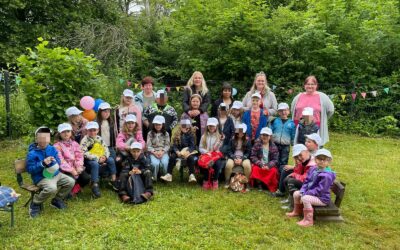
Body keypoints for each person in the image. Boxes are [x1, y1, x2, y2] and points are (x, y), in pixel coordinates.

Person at [26, 126, 75, 218]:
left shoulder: (52, 149)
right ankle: (35, 203)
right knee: (52, 188)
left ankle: (57, 200)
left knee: (70, 181)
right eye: (41, 138)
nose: (44, 141)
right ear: (37, 139)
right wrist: (42, 164)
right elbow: (30, 170)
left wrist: (53, 161)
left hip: (55, 174)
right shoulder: (32, 153)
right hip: (41, 177)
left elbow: (59, 162)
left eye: (46, 138)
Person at [286, 149, 336, 227]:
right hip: (311, 193)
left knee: (305, 198)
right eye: (319, 159)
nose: (321, 161)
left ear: (329, 161)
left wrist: (306, 193)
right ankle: (297, 212)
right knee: (296, 193)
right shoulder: (313, 169)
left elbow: (320, 190)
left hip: (322, 198)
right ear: (315, 159)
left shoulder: (327, 175)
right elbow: (307, 181)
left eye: (324, 159)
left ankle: (308, 220)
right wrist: (303, 190)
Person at [291, 75, 334, 145]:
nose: (310, 86)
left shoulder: (322, 97)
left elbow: (331, 110)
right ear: (304, 85)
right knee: (299, 150)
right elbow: (293, 110)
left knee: (314, 149)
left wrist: (324, 118)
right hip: (299, 127)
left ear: (316, 85)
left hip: (315, 127)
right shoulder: (298, 97)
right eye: (308, 84)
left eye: (312, 84)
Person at [80, 121, 118, 198]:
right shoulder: (84, 140)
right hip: (89, 160)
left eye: (94, 130)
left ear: (97, 130)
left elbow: (106, 148)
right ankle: (95, 184)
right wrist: (97, 158)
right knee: (95, 164)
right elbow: (83, 152)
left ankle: (113, 180)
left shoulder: (99, 138)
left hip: (101, 157)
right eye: (90, 130)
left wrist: (105, 156)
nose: (92, 132)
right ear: (87, 131)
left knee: (110, 160)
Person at [54, 123, 91, 198]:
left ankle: (76, 188)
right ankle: (67, 192)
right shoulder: (57, 146)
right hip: (64, 169)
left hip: (75, 167)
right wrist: (71, 170)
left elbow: (79, 156)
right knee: (72, 179)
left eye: (68, 131)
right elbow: (61, 161)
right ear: (59, 134)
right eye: (63, 132)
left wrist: (79, 166)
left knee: (86, 178)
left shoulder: (74, 144)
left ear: (71, 132)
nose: (66, 133)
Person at [270, 102, 296, 196]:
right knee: (274, 162)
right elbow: (271, 131)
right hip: (275, 145)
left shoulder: (292, 123)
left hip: (285, 146)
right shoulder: (275, 121)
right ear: (278, 112)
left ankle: (280, 184)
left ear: (288, 111)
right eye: (281, 111)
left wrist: (293, 145)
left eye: (285, 110)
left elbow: (293, 135)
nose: (283, 112)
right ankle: (273, 181)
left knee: (283, 164)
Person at [161, 119, 198, 183]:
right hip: (178, 151)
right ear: (180, 126)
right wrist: (177, 151)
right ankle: (169, 174)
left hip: (187, 151)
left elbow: (192, 146)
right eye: (183, 126)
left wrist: (188, 151)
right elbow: (174, 145)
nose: (185, 128)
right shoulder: (177, 134)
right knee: (172, 157)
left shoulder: (191, 135)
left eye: (187, 126)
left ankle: (191, 175)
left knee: (191, 158)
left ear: (189, 127)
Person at [280, 144, 316, 210]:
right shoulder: (304, 161)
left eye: (300, 155)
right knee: (286, 179)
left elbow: (305, 179)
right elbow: (297, 172)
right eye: (297, 156)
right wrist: (297, 164)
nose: (299, 158)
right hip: (306, 183)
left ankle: (292, 206)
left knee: (291, 181)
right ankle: (290, 199)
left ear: (306, 151)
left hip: (311, 186)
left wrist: (294, 175)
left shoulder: (312, 165)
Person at [249, 127, 279, 192]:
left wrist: (268, 166)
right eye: (263, 135)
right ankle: (259, 184)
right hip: (260, 164)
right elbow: (253, 156)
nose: (264, 137)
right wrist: (261, 164)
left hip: (269, 165)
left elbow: (275, 159)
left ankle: (267, 184)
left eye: (266, 135)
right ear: (261, 135)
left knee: (273, 171)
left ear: (270, 137)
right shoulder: (257, 144)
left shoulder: (274, 146)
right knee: (255, 169)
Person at [198, 118, 224, 190]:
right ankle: (206, 180)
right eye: (210, 126)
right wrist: (206, 152)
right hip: (206, 155)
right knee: (206, 164)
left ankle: (215, 180)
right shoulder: (204, 136)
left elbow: (216, 149)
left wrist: (220, 141)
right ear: (207, 127)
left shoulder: (219, 136)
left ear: (216, 127)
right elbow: (200, 148)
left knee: (217, 164)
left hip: (215, 155)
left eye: (213, 126)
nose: (211, 128)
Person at [224, 123, 252, 189]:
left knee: (247, 165)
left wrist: (242, 159)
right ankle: (227, 180)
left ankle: (247, 182)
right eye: (239, 131)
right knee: (228, 165)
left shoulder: (248, 140)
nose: (240, 133)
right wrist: (234, 158)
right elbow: (229, 150)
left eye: (242, 132)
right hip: (233, 156)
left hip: (243, 158)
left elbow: (248, 152)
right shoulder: (232, 139)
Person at [146, 115, 170, 180]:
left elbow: (167, 145)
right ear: (153, 125)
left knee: (165, 163)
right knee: (155, 163)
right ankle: (154, 178)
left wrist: (162, 152)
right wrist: (154, 152)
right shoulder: (150, 133)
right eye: (156, 124)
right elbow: (148, 146)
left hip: (163, 151)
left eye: (159, 124)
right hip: (153, 152)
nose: (157, 126)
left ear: (162, 125)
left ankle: (164, 177)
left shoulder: (166, 134)